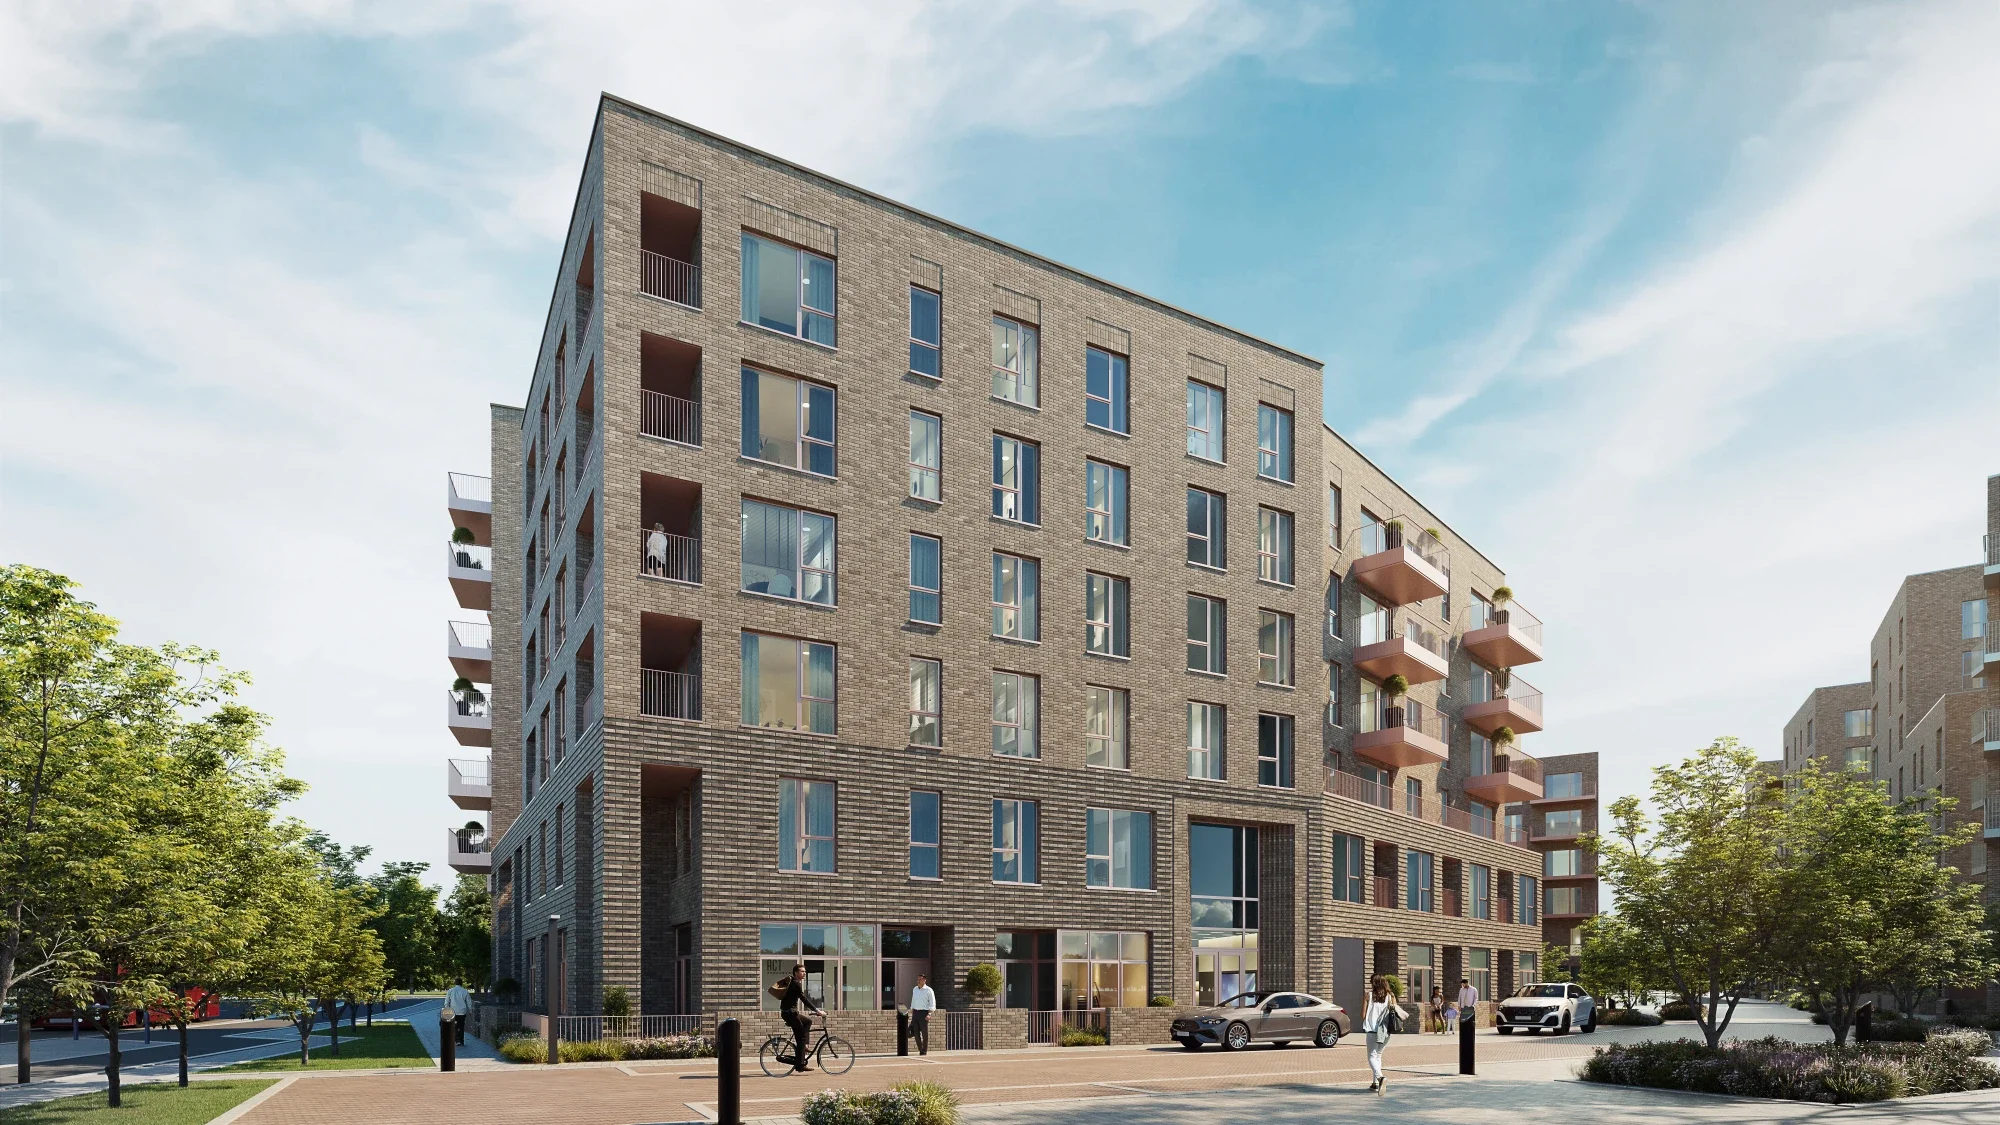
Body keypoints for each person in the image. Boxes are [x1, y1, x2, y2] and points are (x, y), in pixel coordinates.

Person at [770, 963, 822, 1072]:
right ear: (796, 973)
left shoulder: (794, 982)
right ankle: (800, 1065)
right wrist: (817, 1010)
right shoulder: (795, 984)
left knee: (807, 1021)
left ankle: (805, 1047)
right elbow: (804, 999)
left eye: (805, 971)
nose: (804, 973)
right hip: (790, 1014)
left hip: (791, 1013)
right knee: (801, 1038)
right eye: (802, 971)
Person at [1360, 976, 1407, 1096]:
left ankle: (1380, 1078)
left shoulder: (1368, 995)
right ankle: (1375, 1083)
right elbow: (1394, 1012)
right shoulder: (1391, 996)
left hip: (1372, 1030)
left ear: (1374, 984)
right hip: (1386, 1030)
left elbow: (1363, 1015)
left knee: (1371, 1055)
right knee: (1378, 1055)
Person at [907, 974, 937, 1055]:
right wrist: (912, 1010)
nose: (918, 981)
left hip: (924, 1013)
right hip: (915, 1013)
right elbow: (913, 1000)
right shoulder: (915, 989)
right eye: (918, 979)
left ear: (924, 980)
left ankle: (924, 1050)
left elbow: (932, 1002)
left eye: (920, 979)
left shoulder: (929, 990)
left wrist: (929, 1013)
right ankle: (921, 1049)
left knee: (924, 1033)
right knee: (916, 1033)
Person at [444, 980, 472, 1046]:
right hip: (462, 1011)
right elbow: (469, 1002)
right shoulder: (465, 991)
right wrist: (470, 1011)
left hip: (453, 1011)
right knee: (461, 1026)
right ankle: (461, 1040)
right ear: (461, 983)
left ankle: (457, 1040)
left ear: (455, 983)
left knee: (454, 1026)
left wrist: (447, 1010)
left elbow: (446, 1002)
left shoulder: (450, 991)